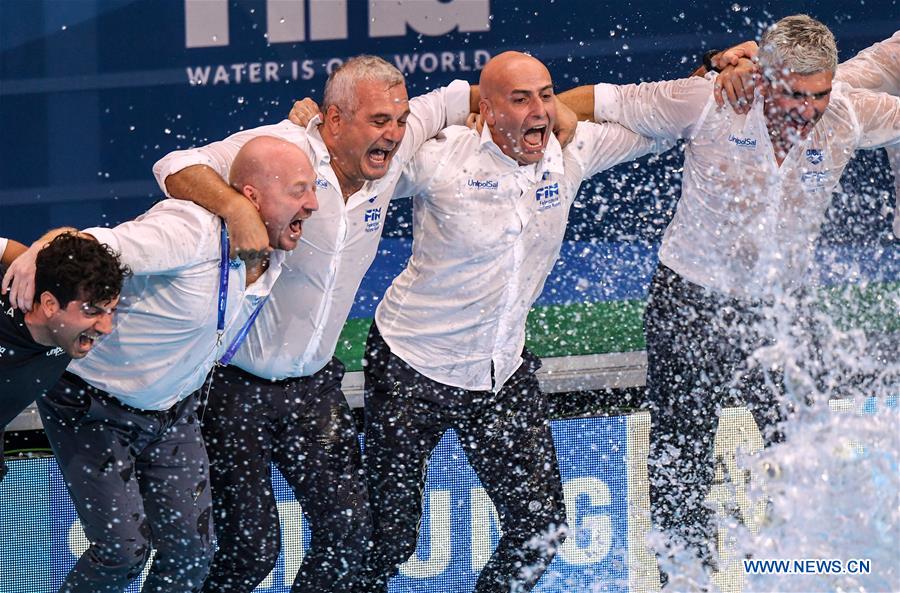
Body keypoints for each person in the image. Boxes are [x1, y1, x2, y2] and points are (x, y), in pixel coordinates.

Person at [558, 14, 900, 571]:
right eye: (795, 94)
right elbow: (595, 100)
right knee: (681, 452)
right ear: (763, 76)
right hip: (691, 298)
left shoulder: (848, 114)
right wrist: (541, 117)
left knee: (804, 448)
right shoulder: (706, 102)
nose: (809, 110)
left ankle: (802, 571)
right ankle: (685, 578)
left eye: (819, 94)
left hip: (783, 308)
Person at [152, 55, 472, 593]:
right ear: (334, 119)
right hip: (231, 389)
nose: (394, 134)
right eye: (378, 121)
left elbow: (474, 94)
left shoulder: (397, 142)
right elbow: (174, 166)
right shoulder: (285, 147)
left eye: (399, 119)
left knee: (350, 542)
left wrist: (553, 112)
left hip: (315, 390)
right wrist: (237, 208)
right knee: (250, 553)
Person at [360, 50, 664, 593]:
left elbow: (661, 125)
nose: (539, 112)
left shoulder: (570, 152)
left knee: (541, 529)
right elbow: (365, 155)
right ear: (488, 109)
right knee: (389, 539)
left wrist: (713, 82)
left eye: (545, 95)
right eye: (520, 99)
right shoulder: (441, 160)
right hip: (410, 368)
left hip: (500, 373)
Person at [4, 136, 317, 593]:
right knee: (122, 553)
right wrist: (37, 253)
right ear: (248, 198)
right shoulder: (186, 230)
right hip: (93, 405)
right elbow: (92, 247)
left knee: (193, 557)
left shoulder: (269, 255)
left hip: (173, 414)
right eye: (298, 191)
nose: (311, 204)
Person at [0, 233, 126, 481]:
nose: (106, 327)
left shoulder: (53, 285)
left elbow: (73, 237)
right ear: (49, 305)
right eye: (92, 311)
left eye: (111, 310)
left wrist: (36, 248)